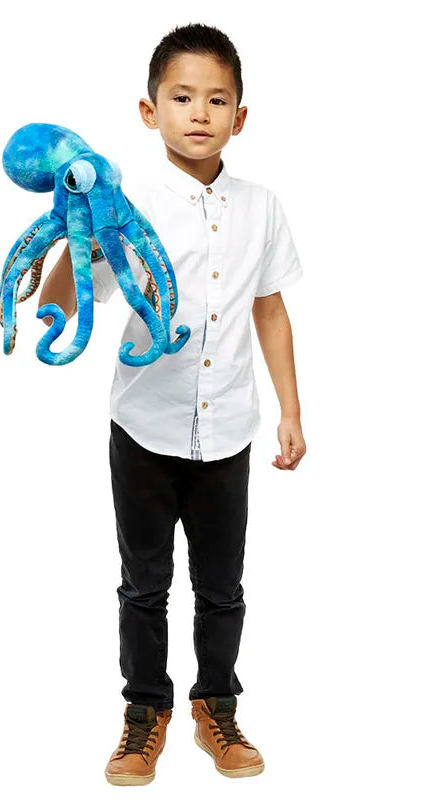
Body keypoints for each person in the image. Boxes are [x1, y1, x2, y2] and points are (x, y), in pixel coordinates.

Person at [38, 22, 306, 785]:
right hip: (145, 427)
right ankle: (144, 710)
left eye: (216, 99)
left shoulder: (261, 205)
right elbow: (76, 282)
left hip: (229, 431)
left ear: (239, 117)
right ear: (149, 111)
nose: (199, 112)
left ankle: (214, 706)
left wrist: (290, 410)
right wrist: (63, 263)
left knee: (224, 585)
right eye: (181, 97)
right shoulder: (127, 204)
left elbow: (271, 310)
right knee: (144, 582)